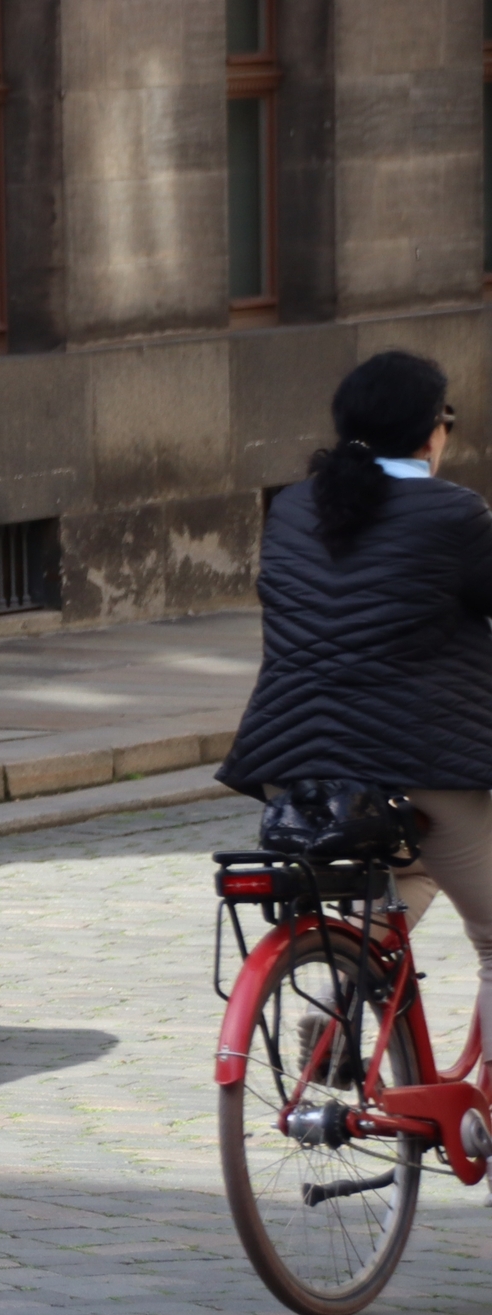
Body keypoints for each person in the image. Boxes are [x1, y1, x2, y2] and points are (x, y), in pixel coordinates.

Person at [219, 349, 492, 1050]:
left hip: (295, 761)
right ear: (430, 432)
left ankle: (340, 996)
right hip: (416, 756)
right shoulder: (454, 512)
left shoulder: (293, 506)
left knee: (409, 871)